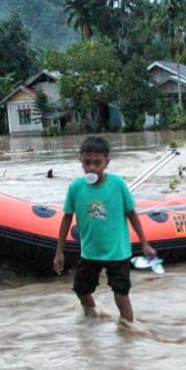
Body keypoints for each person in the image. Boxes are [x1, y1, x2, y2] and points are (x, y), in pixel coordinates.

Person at [52, 137, 157, 323]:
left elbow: (131, 214)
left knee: (121, 295)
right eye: (87, 162)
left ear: (106, 163)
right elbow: (67, 218)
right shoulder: (76, 187)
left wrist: (144, 243)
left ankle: (128, 333)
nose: (92, 167)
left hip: (117, 252)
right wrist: (59, 251)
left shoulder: (117, 185)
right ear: (81, 162)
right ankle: (92, 319)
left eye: (97, 163)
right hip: (90, 252)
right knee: (81, 291)